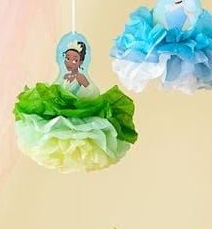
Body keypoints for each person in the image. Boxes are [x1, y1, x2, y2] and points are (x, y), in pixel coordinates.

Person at [12, 31, 139, 172]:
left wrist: (85, 100)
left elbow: (90, 90)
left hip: (82, 109)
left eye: (74, 60)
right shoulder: (64, 77)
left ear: (81, 62)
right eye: (67, 58)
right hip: (61, 111)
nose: (69, 62)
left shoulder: (81, 78)